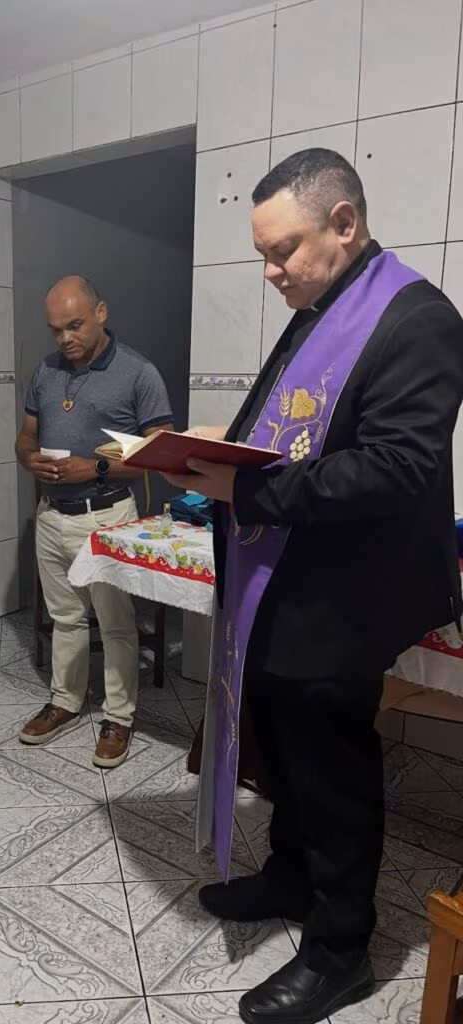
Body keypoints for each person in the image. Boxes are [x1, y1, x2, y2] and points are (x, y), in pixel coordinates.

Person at [165, 149, 463, 1024]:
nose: (270, 273)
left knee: (332, 770)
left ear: (344, 223)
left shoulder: (418, 319)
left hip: (344, 597)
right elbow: (301, 430)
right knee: (287, 749)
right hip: (289, 582)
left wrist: (244, 487)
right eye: (264, 253)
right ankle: (292, 876)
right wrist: (228, 443)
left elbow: (397, 470)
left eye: (283, 249)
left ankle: (341, 953)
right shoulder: (325, 304)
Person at [16, 276, 173, 767]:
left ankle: (119, 717)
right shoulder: (45, 370)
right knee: (65, 616)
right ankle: (65, 701)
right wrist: (29, 460)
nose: (65, 338)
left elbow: (162, 454)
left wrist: (97, 466)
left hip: (106, 514)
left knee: (116, 623)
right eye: (56, 329)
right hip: (51, 515)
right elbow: (26, 435)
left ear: (101, 313)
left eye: (75, 325)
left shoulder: (138, 372)